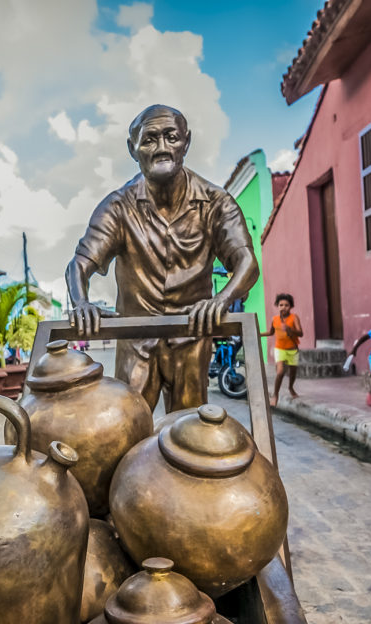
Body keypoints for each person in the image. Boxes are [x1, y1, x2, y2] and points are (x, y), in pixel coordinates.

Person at [65, 104, 259, 412]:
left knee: (190, 439)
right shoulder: (117, 207)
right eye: (150, 139)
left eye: (171, 137)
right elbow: (80, 263)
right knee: (127, 433)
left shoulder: (215, 202)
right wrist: (81, 302)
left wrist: (221, 300)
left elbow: (246, 262)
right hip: (136, 342)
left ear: (187, 141)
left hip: (192, 339)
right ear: (133, 148)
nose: (162, 148)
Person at [259, 293, 303, 406]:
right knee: (280, 372)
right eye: (281, 305)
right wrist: (258, 334)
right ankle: (275, 395)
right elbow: (271, 332)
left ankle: (290, 387)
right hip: (279, 349)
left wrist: (290, 330)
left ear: (291, 306)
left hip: (293, 349)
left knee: (293, 372)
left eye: (286, 305)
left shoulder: (294, 317)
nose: (283, 307)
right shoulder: (275, 319)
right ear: (277, 306)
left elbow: (301, 333)